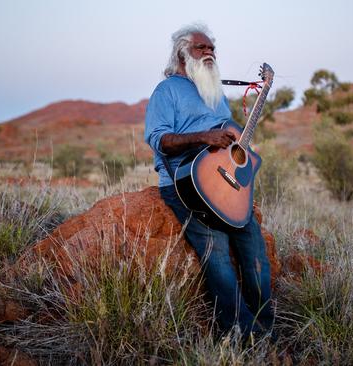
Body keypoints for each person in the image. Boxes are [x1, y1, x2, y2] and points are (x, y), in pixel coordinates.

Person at [144, 24, 274, 339]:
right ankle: (242, 336)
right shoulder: (167, 91)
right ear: (182, 53)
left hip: (227, 185)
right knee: (218, 258)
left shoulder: (215, 93)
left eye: (212, 49)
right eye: (202, 48)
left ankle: (266, 330)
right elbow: (158, 139)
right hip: (187, 184)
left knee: (256, 256)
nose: (210, 53)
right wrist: (205, 135)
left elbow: (231, 142)